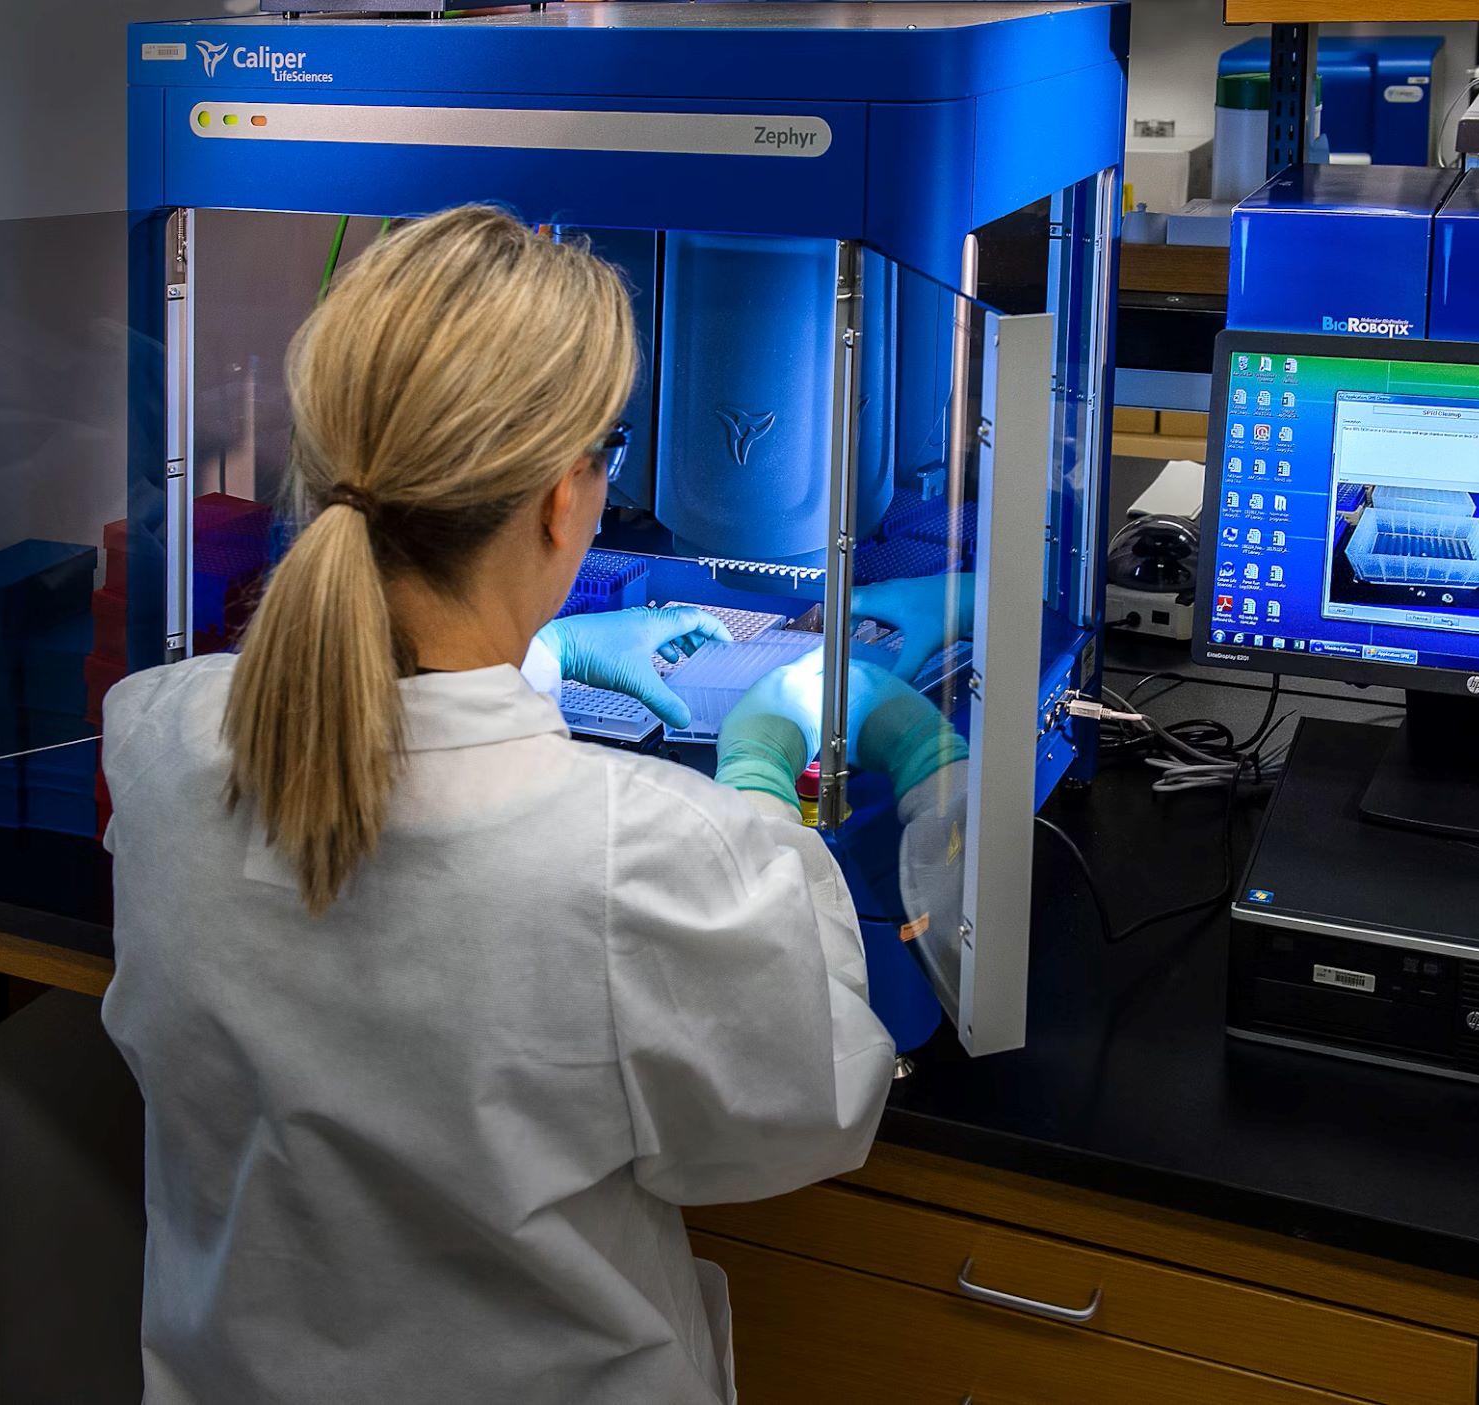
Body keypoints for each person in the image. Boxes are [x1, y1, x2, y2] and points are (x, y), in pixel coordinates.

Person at [98, 205, 956, 1403]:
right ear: (568, 497)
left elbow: (373, 741)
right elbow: (806, 1111)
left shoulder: (159, 740)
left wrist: (545, 656)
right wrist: (764, 775)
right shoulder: (647, 857)